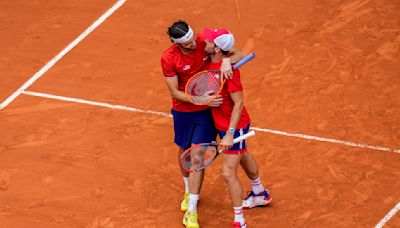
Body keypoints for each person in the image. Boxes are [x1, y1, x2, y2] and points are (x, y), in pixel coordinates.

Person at [160, 20, 246, 228]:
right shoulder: (168, 58)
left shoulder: (204, 42)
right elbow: (174, 92)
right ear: (175, 42)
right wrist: (198, 99)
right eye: (187, 43)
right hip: (184, 110)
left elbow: (240, 55)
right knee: (184, 150)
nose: (193, 44)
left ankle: (192, 209)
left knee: (197, 155)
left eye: (193, 39)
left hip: (207, 113)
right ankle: (188, 188)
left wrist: (226, 61)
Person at [203, 28, 272, 228]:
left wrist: (230, 134)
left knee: (227, 172)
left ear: (216, 47)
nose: (203, 42)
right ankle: (260, 193)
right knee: (242, 154)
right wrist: (225, 58)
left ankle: (239, 220)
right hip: (223, 123)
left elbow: (238, 103)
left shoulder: (230, 72)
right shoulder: (214, 59)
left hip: (234, 125)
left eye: (207, 40)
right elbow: (236, 52)